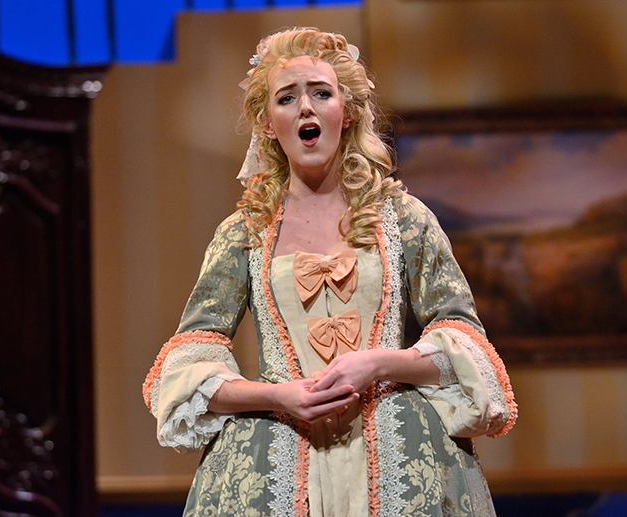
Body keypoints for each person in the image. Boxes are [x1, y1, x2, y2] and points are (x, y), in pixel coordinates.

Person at [142, 28, 517, 517]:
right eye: (287, 98)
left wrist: (380, 363)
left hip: (399, 451)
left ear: (349, 110)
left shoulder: (404, 219)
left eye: (321, 93)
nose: (305, 108)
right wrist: (275, 395)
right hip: (274, 451)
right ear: (268, 124)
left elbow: (463, 337)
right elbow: (190, 355)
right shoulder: (245, 232)